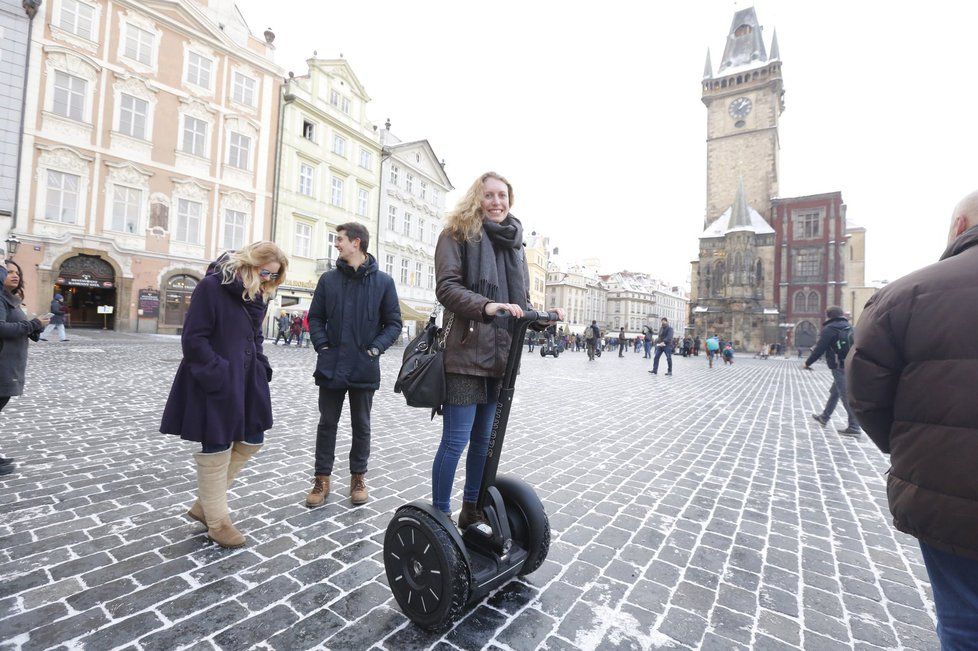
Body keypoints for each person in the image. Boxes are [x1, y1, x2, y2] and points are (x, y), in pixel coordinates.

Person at [847, 191, 978, 648]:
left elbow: (865, 394)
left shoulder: (905, 295)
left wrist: (915, 450)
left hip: (952, 492)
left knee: (965, 622)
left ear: (959, 226)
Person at [433, 171, 562, 528]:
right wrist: (486, 306)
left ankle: (471, 508)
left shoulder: (514, 244)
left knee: (483, 443)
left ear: (510, 200)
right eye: (489, 195)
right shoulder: (456, 234)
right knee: (456, 441)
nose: (496, 202)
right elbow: (446, 288)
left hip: (502, 359)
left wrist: (542, 319)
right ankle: (440, 515)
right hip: (464, 354)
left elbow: (519, 302)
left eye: (502, 196)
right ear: (477, 198)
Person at [160, 242, 287, 548]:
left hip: (246, 381)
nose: (268, 279)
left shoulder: (257, 294)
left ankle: (206, 505)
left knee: (253, 439)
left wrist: (261, 364)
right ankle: (218, 521)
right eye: (266, 272)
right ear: (250, 262)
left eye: (273, 276)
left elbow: (255, 334)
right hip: (214, 379)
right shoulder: (210, 287)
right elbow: (193, 338)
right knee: (216, 444)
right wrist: (218, 371)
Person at [306, 222, 401, 508]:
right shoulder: (328, 280)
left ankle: (358, 477)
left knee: (362, 425)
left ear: (356, 243)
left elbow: (393, 323)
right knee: (327, 424)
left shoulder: (383, 282)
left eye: (340, 239)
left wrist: (374, 349)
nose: (336, 244)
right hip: (332, 364)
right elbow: (315, 317)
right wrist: (322, 346)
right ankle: (322, 479)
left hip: (363, 365)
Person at [0, 260, 50, 475]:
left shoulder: (10, 299)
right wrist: (34, 324)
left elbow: (16, 326)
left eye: (17, 272)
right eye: (8, 272)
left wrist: (34, 329)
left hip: (9, 362)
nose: (15, 275)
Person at [803, 306, 861, 437]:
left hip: (838, 365)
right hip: (850, 363)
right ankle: (824, 417)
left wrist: (807, 363)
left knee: (844, 394)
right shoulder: (850, 326)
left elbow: (819, 349)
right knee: (835, 392)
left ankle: (854, 427)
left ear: (828, 316)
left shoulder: (829, 329)